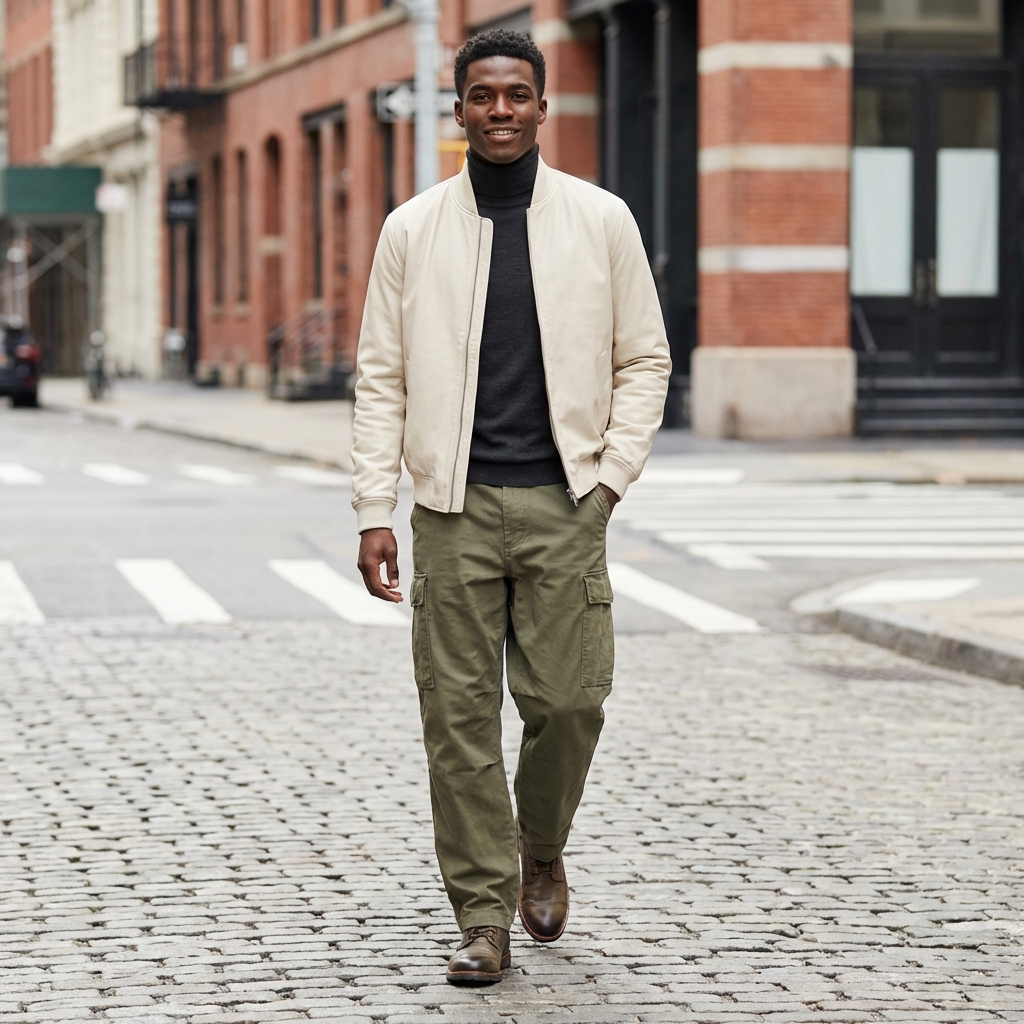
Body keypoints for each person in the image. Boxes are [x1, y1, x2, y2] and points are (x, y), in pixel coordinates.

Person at [352, 29, 671, 986]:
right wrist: (377, 507)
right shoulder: (412, 229)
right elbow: (380, 379)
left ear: (542, 107)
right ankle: (483, 916)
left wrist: (610, 478)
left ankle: (541, 845)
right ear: (458, 109)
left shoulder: (600, 219)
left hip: (566, 501)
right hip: (450, 512)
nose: (500, 110)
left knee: (570, 703)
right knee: (457, 718)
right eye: (482, 95)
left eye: (517, 95)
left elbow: (644, 359)